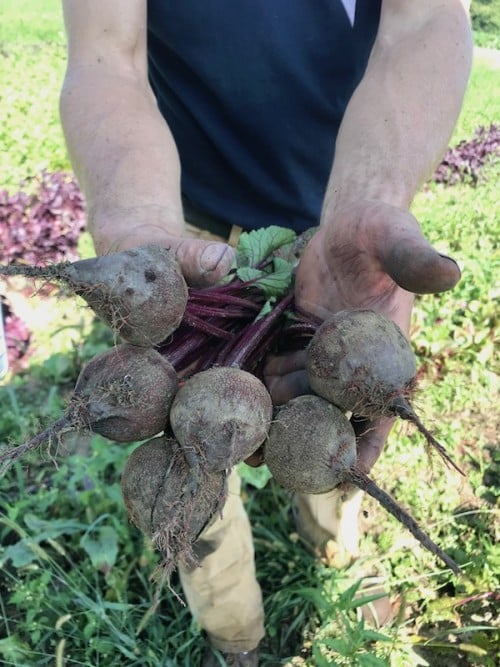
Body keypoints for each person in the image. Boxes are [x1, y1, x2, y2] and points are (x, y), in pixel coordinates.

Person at [59, 1, 473, 664]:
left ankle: (335, 538)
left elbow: (426, 20)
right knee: (192, 473)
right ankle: (235, 635)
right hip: (186, 231)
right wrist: (132, 219)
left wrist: (372, 192)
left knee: (336, 432)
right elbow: (107, 58)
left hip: (336, 219)